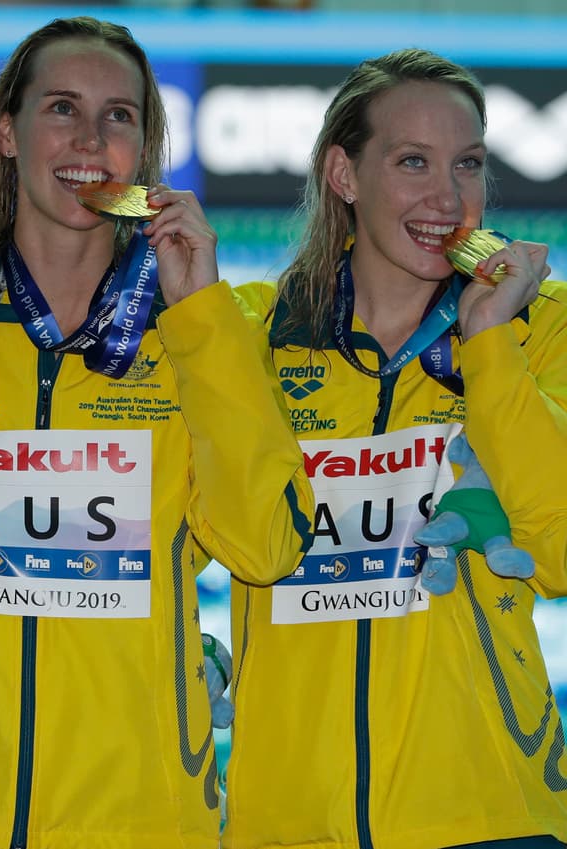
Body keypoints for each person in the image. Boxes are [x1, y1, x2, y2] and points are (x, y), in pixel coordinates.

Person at [0, 16, 313, 849]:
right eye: (61, 108)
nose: (92, 139)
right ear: (7, 133)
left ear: (145, 150)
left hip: (143, 812)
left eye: (120, 117)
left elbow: (267, 545)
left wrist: (201, 315)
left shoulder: (209, 324)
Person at [225, 48, 567, 849]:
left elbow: (561, 546)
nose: (448, 199)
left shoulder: (542, 330)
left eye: (469, 165)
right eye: (413, 162)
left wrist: (489, 345)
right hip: (288, 821)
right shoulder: (252, 337)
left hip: (488, 812)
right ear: (344, 174)